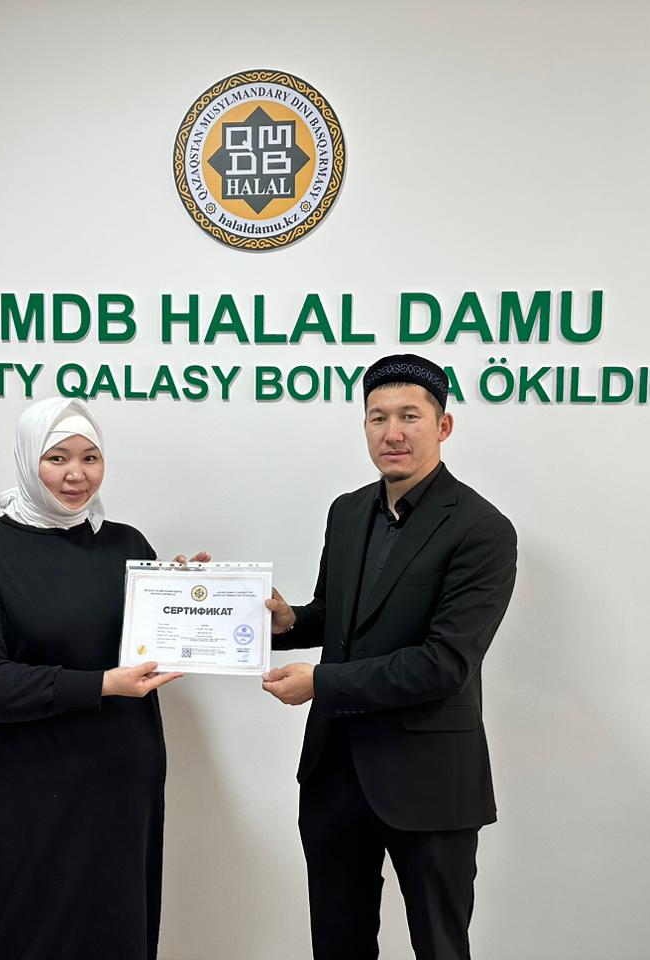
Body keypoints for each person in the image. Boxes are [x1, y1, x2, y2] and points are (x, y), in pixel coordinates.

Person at [262, 354, 517, 960]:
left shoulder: (482, 528)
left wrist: (322, 683)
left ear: (443, 426)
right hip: (334, 773)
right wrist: (288, 622)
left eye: (409, 416)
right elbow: (337, 617)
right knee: (338, 943)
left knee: (440, 946)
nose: (392, 432)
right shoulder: (347, 511)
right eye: (378, 418)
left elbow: (444, 664)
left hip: (429, 781)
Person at [0, 397, 204, 960]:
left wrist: (186, 599)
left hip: (119, 791)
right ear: (28, 458)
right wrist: (100, 685)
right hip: (27, 795)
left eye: (90, 457)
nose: (76, 474)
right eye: (57, 458)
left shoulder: (126, 545)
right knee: (18, 934)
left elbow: (151, 647)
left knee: (113, 936)